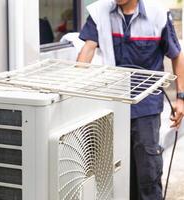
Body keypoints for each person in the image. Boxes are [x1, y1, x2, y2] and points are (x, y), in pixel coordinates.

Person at [77, 0, 184, 199]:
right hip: (112, 105)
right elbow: (88, 50)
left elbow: (177, 57)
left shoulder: (157, 15)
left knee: (147, 173)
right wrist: (73, 89)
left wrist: (181, 99)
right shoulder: (100, 12)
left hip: (146, 108)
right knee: (117, 173)